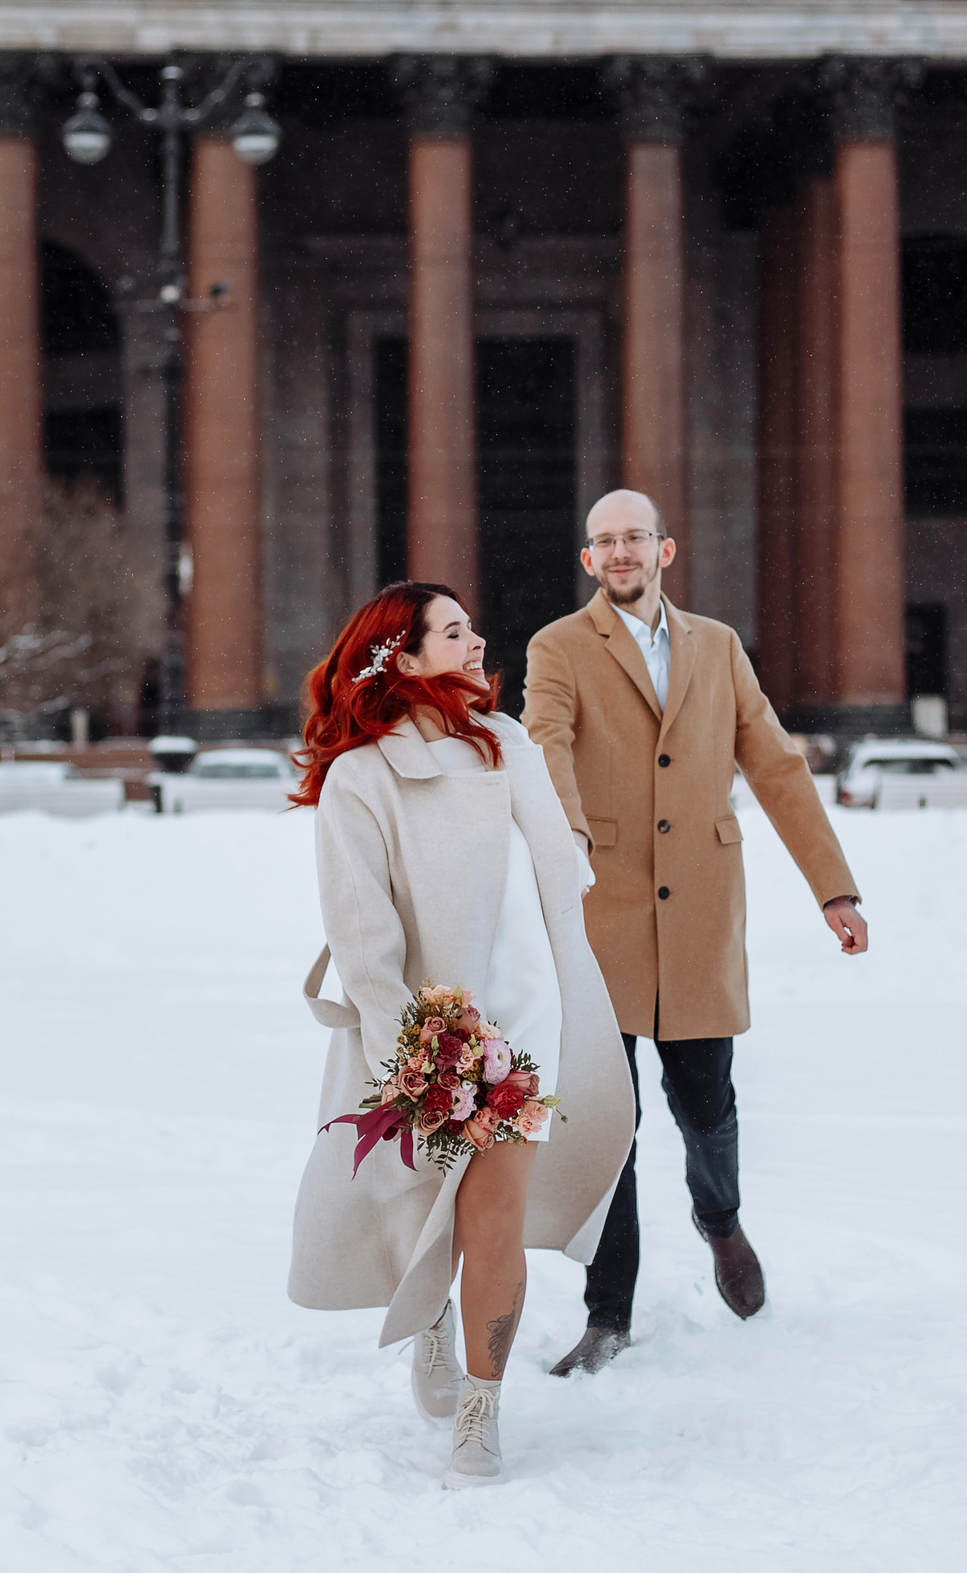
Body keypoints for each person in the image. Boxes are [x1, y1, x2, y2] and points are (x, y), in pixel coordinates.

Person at [287, 581, 635, 1488]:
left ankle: (482, 1409)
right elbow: (366, 936)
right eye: (453, 631)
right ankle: (428, 1315)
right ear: (400, 658)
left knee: (496, 1220)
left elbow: (556, 877)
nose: (478, 640)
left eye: (472, 625)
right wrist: (419, 1043)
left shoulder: (508, 743)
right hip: (434, 1026)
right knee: (419, 1196)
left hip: (533, 1022)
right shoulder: (360, 779)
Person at [523, 490, 868, 1376]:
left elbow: (778, 766)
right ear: (589, 560)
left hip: (704, 909)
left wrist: (833, 889)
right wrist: (563, 841)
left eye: (635, 537)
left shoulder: (717, 647)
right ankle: (609, 1314)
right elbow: (546, 743)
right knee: (612, 1122)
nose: (621, 552)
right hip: (602, 913)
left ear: (666, 548)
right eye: (604, 541)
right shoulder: (558, 647)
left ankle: (721, 1223)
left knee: (706, 1104)